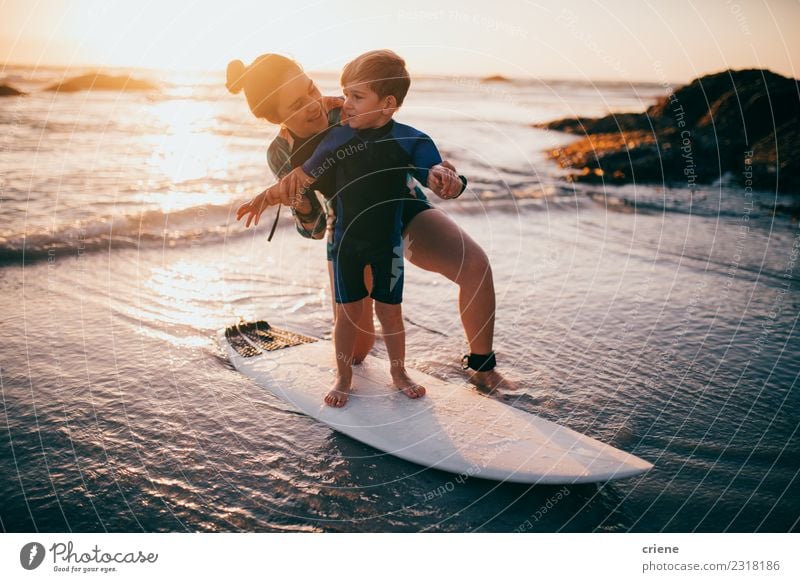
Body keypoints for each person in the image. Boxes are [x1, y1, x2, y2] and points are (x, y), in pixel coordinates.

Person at [228, 52, 510, 393]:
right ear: (276, 119)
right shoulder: (281, 154)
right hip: (349, 228)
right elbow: (314, 229)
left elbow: (401, 141)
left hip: (402, 205)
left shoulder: (345, 108)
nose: (314, 104)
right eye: (297, 105)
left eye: (311, 88)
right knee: (359, 351)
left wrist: (437, 172)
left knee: (475, 264)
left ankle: (482, 368)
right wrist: (299, 201)